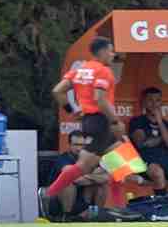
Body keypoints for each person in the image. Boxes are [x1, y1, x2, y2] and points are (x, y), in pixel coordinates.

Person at [41, 36, 125, 206]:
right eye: (110, 50)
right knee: (116, 163)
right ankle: (49, 193)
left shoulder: (79, 70)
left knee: (116, 163)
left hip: (89, 121)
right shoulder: (103, 71)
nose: (112, 54)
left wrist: (72, 111)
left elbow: (57, 91)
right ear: (101, 52)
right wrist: (116, 121)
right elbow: (100, 99)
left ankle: (49, 192)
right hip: (102, 122)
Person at [42, 131, 109, 221]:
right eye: (76, 145)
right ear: (69, 145)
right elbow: (74, 178)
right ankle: (66, 218)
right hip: (59, 202)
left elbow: (106, 178)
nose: (79, 148)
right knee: (68, 183)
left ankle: (95, 215)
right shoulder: (63, 159)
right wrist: (94, 176)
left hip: (84, 199)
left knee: (101, 186)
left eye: (82, 145)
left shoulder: (91, 160)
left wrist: (87, 178)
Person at [129, 87, 168, 196]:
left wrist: (160, 122)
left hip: (164, 158)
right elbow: (142, 143)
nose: (154, 104)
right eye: (150, 100)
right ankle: (161, 208)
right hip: (144, 160)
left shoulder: (165, 124)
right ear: (144, 102)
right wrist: (162, 139)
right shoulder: (137, 121)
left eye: (158, 100)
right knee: (157, 172)